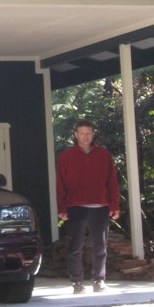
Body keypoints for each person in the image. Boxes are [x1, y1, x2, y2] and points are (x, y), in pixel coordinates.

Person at [56, 119, 121, 294]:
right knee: (75, 246)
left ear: (93, 134)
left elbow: (112, 181)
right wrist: (61, 207)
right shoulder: (66, 157)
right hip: (75, 206)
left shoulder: (103, 155)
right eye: (82, 133)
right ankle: (77, 282)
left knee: (100, 247)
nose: (86, 137)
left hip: (100, 205)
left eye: (89, 133)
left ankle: (99, 280)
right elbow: (60, 184)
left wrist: (114, 204)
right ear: (76, 135)